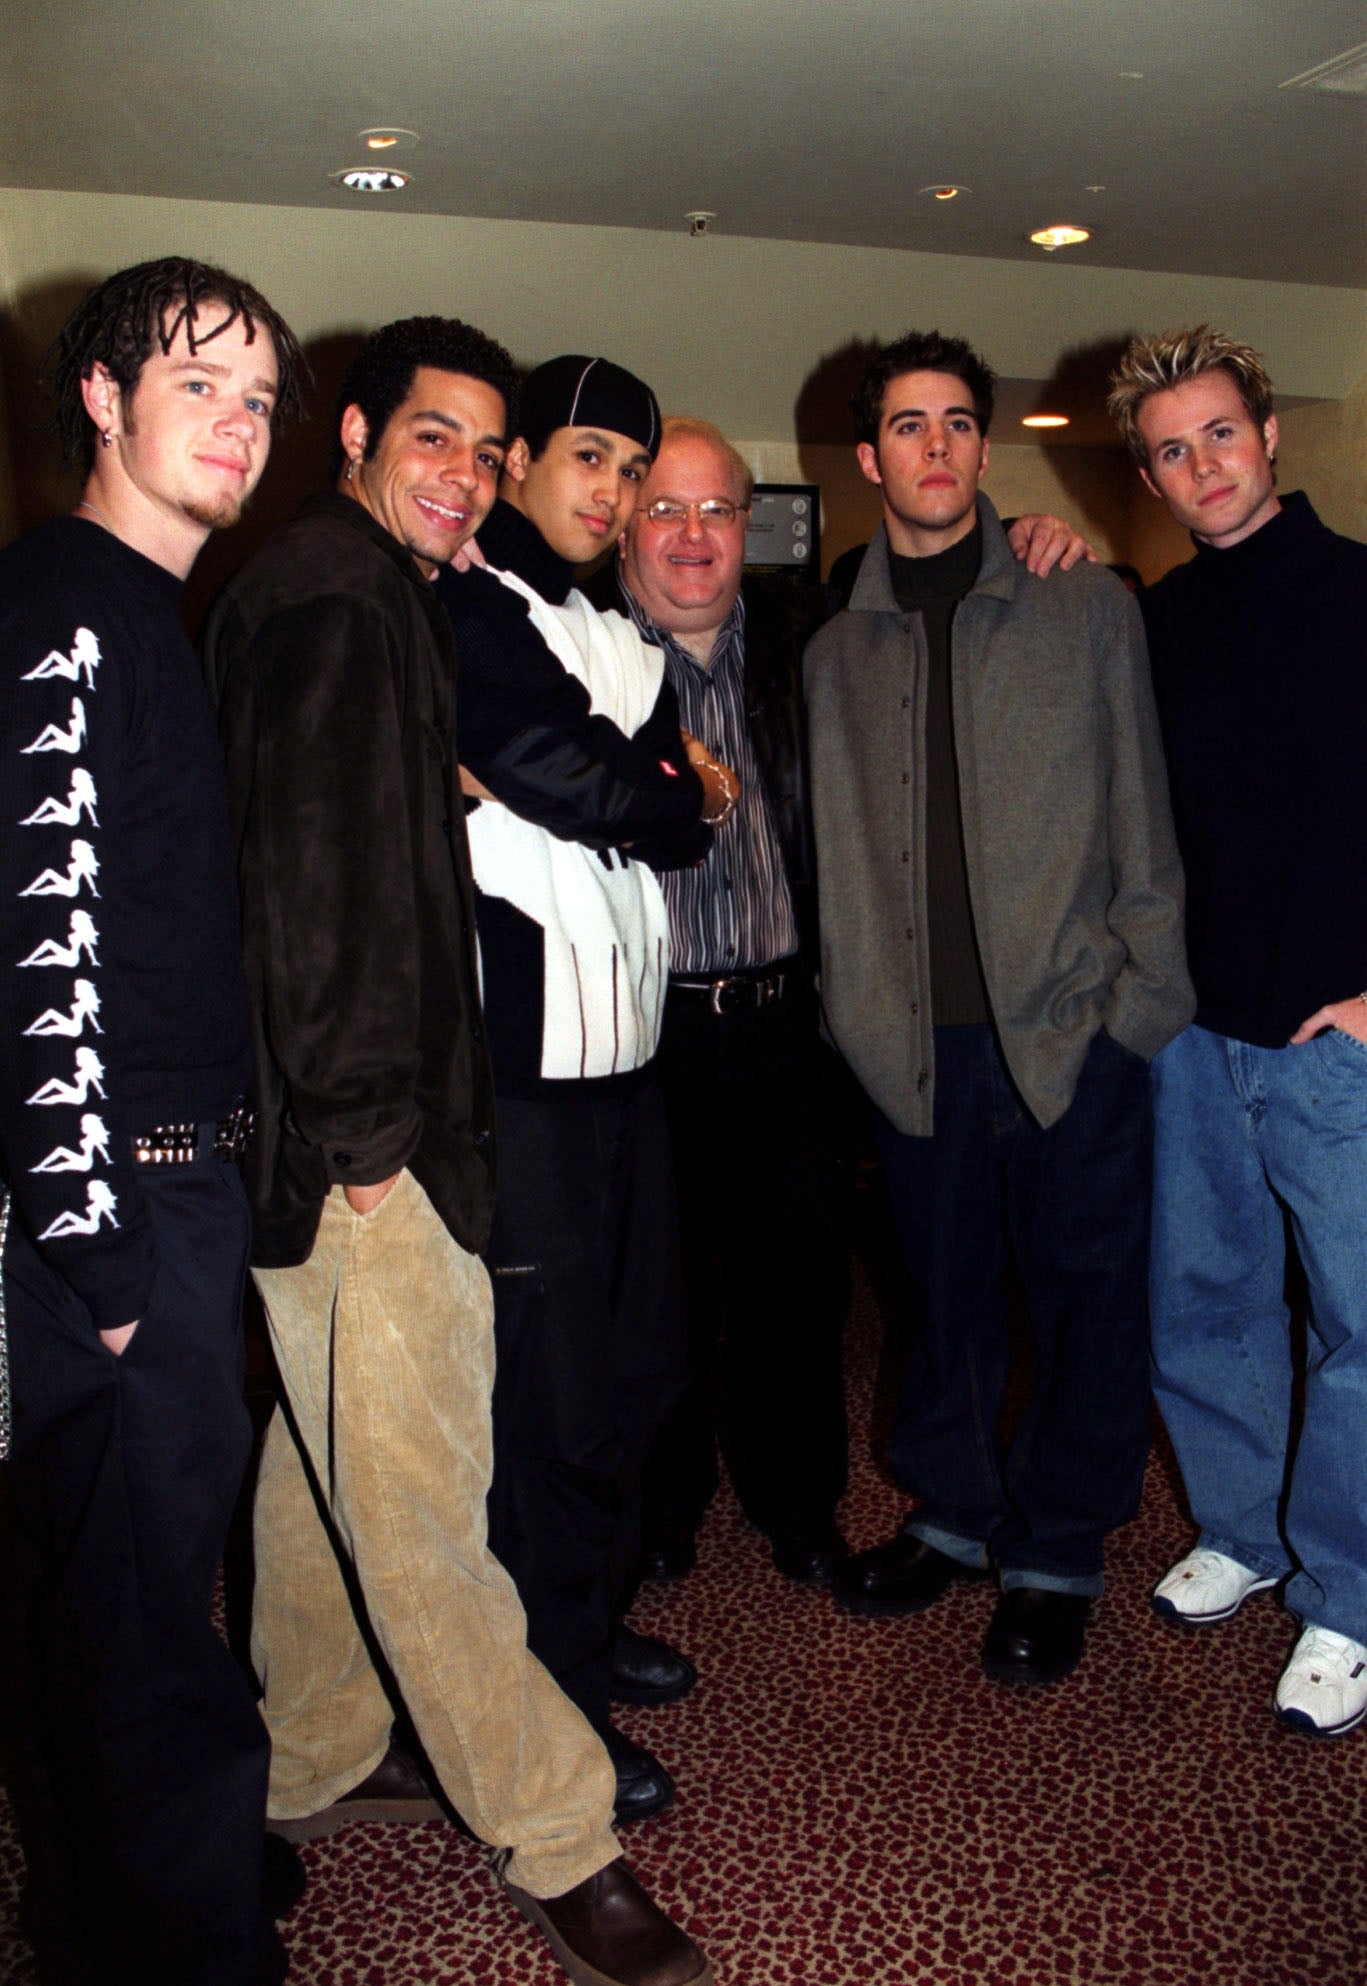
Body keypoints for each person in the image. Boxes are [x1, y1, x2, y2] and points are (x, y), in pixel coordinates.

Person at [203, 319, 712, 1986]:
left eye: (489, 452)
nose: (469, 477)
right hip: (375, 1133)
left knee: (324, 1472)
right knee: (423, 1498)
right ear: (355, 432)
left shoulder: (351, 586)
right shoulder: (340, 602)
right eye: (437, 438)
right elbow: (311, 886)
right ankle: (560, 1834)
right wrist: (370, 1146)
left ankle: (296, 1757)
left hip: (356, 1121)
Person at [607, 416, 1101, 1593]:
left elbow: (937, 595)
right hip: (642, 1033)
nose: (691, 536)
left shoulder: (809, 640)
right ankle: (662, 1506)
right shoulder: (577, 658)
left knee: (798, 1286)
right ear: (623, 529)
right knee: (654, 1295)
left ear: (748, 525)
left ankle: (796, 1503)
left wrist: (1035, 536)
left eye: (715, 510)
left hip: (786, 1027)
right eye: (663, 510)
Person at [0, 256, 305, 1986]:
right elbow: (37, 946)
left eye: (257, 395)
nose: (239, 422)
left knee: (104, 1608)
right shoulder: (66, 606)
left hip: (161, 1191)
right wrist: (101, 1249)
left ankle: (106, 1913)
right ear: (104, 401)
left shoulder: (135, 613)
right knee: (144, 1637)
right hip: (122, 1204)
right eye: (199, 383)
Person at [806, 329, 1194, 1688]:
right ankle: (955, 1512)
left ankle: (1058, 1551)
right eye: (906, 426)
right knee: (943, 1297)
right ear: (870, 458)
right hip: (913, 1048)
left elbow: (1141, 808)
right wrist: (853, 1015)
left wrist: (1135, 1008)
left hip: (1071, 1031)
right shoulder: (832, 651)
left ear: (983, 444)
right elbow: (834, 849)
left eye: (957, 423)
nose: (934, 446)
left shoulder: (1078, 604)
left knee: (1085, 1303)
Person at [439, 358, 728, 1824]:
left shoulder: (618, 627)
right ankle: (542, 1694)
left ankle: (590, 1626)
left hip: (627, 1065)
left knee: (633, 1370)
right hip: (524, 1077)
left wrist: (646, 792)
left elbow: (631, 799)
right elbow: (593, 779)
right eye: (587, 458)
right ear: (518, 467)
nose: (611, 492)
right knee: (545, 1404)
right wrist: (665, 790)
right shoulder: (465, 602)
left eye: (628, 467)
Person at [1108, 325, 1367, 1738]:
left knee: (1358, 1330)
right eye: (1169, 449)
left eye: (1218, 432)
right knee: (1203, 1298)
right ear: (1147, 476)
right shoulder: (1153, 621)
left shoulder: (1356, 590)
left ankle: (1348, 1592)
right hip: (1192, 1035)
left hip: (1337, 1042)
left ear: (1266, 434)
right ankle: (1240, 1528)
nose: (1200, 464)